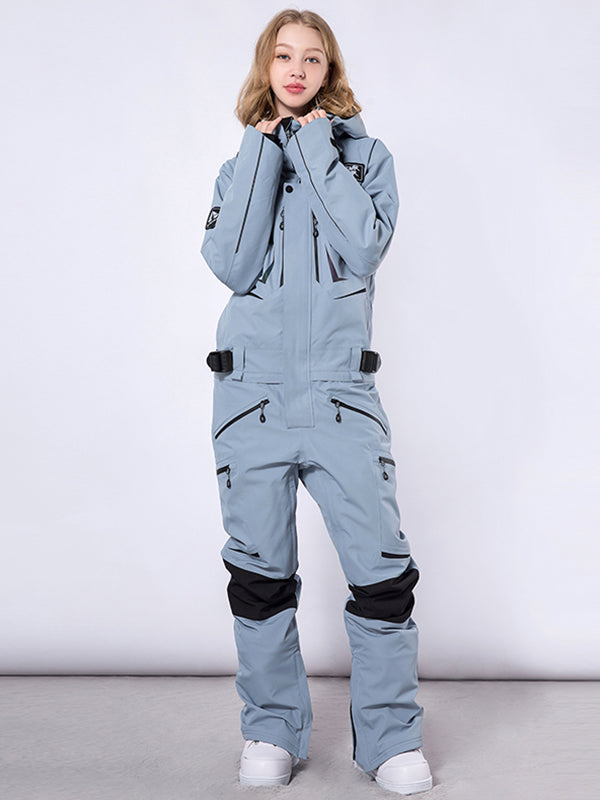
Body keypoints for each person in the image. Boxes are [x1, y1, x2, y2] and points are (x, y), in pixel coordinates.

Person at [200, 8, 433, 795]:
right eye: (283, 56)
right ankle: (270, 730)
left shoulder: (368, 160)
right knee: (258, 579)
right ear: (264, 68)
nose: (297, 70)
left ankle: (391, 740)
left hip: (342, 403)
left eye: (313, 58)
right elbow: (231, 264)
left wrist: (310, 147)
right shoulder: (237, 168)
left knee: (382, 576)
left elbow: (364, 246)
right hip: (252, 404)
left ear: (330, 71)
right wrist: (262, 150)